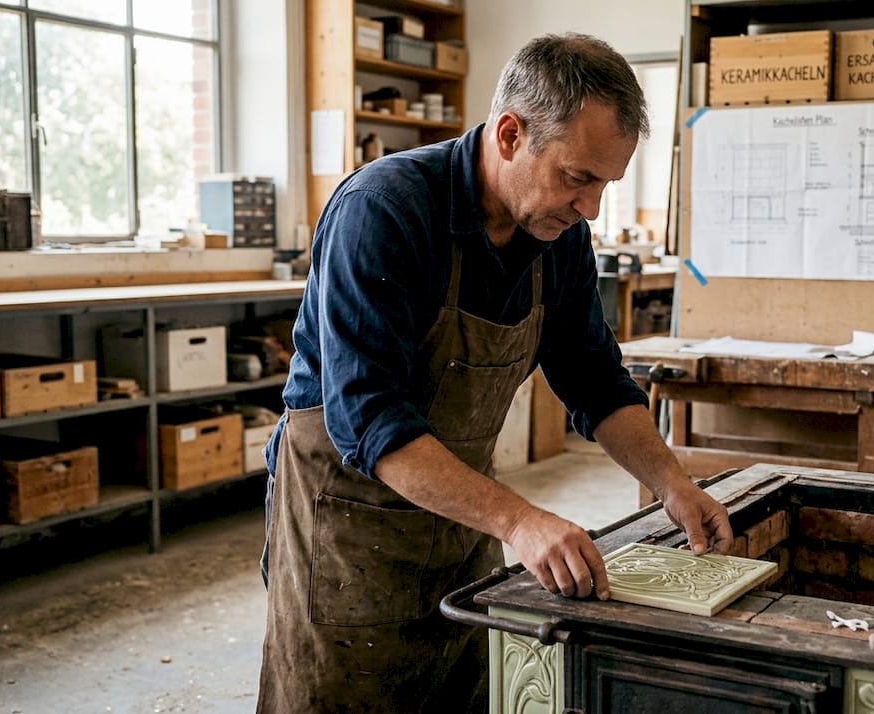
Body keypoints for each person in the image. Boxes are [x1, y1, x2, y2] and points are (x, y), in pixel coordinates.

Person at [256, 32, 734, 713]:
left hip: (457, 528)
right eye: (578, 177)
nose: (591, 207)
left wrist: (672, 484)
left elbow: (595, 378)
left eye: (606, 184)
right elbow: (371, 421)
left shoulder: (558, 238)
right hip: (343, 540)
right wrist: (521, 522)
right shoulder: (384, 210)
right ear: (509, 133)